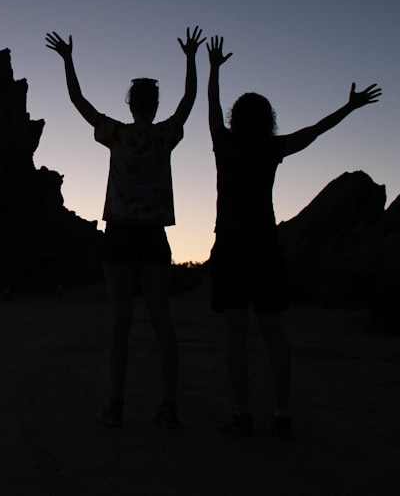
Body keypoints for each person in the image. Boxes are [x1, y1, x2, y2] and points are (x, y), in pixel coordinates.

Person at [206, 34, 381, 437]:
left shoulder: (225, 144)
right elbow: (317, 130)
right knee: (273, 331)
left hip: (231, 245)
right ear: (267, 119)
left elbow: (211, 108)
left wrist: (213, 68)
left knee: (236, 334)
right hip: (265, 245)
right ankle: (281, 411)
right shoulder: (273, 147)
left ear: (236, 118)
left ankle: (241, 411)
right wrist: (350, 107)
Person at [45, 26, 203, 428]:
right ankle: (169, 405)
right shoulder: (165, 134)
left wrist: (68, 60)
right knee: (161, 321)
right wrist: (190, 59)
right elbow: (188, 102)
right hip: (152, 234)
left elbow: (80, 103)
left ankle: (115, 405)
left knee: (120, 323)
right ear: (153, 105)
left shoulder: (117, 133)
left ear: (132, 105)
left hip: (119, 233)